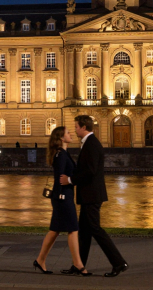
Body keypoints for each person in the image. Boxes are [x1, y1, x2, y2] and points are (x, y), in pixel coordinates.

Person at [59, 115, 127, 277]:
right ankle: (79, 265)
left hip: (92, 195)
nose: (75, 130)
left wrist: (69, 180)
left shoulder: (91, 144)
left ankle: (119, 262)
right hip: (89, 195)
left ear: (83, 127)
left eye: (76, 127)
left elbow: (90, 171)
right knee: (84, 232)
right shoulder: (90, 143)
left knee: (95, 229)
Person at [34, 127, 90, 276]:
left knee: (55, 230)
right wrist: (59, 197)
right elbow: (59, 178)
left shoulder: (64, 154)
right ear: (61, 138)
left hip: (64, 196)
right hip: (63, 198)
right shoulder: (60, 155)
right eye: (67, 133)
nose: (70, 134)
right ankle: (78, 264)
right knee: (73, 229)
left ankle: (40, 260)